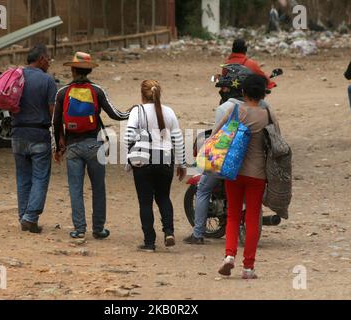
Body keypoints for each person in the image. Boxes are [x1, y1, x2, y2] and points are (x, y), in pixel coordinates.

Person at [184, 66, 270, 246]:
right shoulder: (265, 108)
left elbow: (219, 138)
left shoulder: (226, 108)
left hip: (228, 163)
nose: (222, 91)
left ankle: (198, 234)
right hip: (257, 164)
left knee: (203, 189)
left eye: (224, 88)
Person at [53, 52, 129, 240]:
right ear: (89, 70)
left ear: (72, 69)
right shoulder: (97, 90)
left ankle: (79, 229)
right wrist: (135, 111)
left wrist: (58, 147)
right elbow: (115, 115)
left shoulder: (62, 92)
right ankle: (98, 228)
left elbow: (55, 122)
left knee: (76, 189)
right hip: (95, 146)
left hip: (72, 147)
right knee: (98, 188)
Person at [213, 74, 280, 280]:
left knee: (233, 215)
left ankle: (229, 256)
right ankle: (248, 267)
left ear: (243, 92)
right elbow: (278, 141)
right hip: (258, 174)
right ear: (262, 93)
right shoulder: (267, 113)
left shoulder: (235, 110)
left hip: (233, 171)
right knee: (252, 218)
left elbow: (216, 134)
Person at [124, 80, 187, 252]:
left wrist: (129, 159)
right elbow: (178, 139)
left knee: (145, 202)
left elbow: (129, 135)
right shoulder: (169, 112)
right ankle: (169, 232)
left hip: (144, 160)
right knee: (163, 197)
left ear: (142, 95)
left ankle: (149, 242)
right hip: (165, 158)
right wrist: (182, 163)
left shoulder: (137, 110)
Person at [12, 44, 57, 234]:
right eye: (48, 60)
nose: (49, 63)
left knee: (23, 177)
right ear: (41, 59)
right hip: (39, 134)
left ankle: (24, 216)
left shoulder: (16, 77)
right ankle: (30, 218)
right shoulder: (47, 81)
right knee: (40, 177)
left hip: (17, 134)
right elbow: (53, 112)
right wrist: (59, 137)